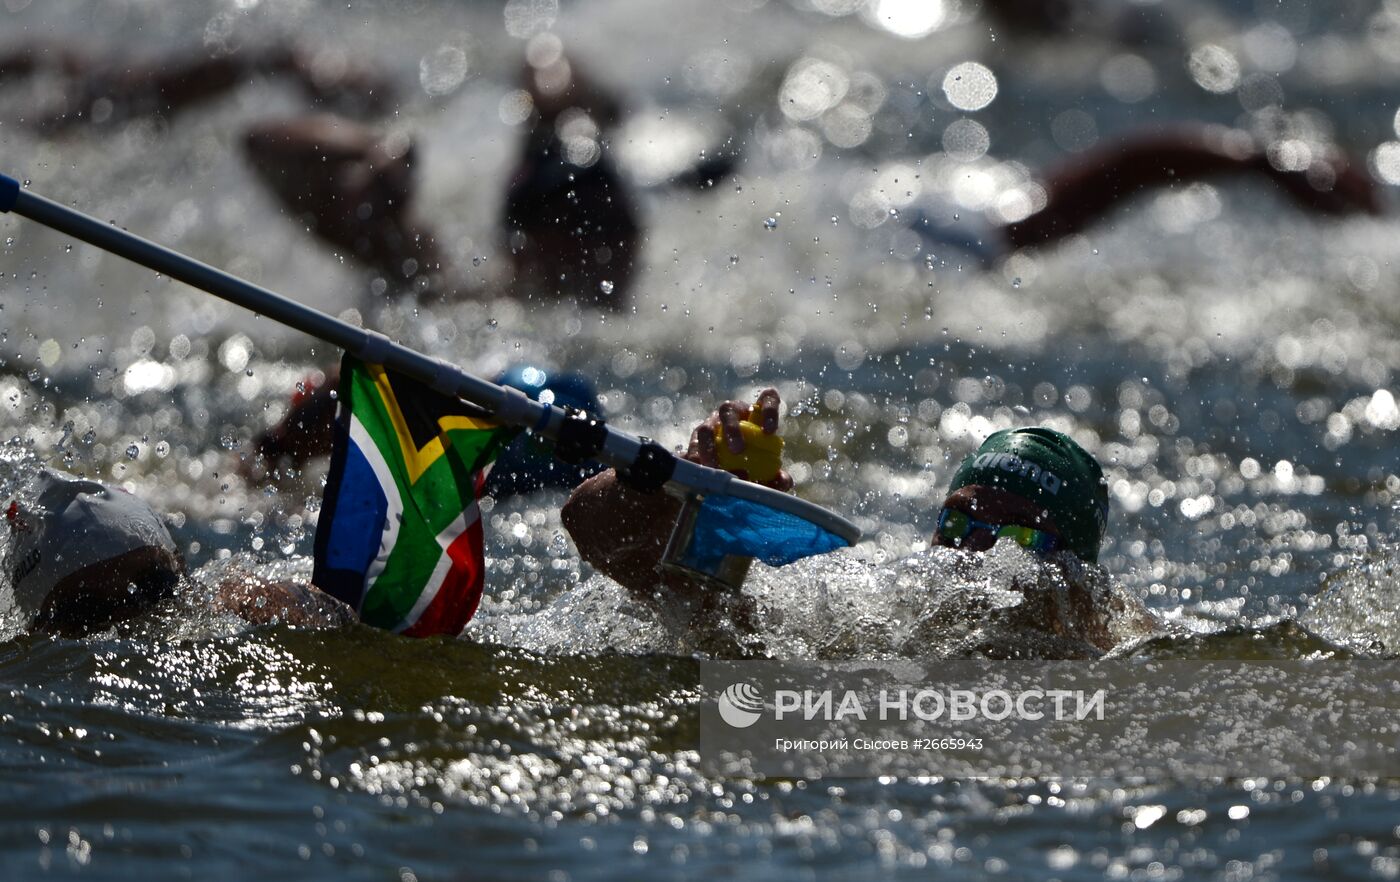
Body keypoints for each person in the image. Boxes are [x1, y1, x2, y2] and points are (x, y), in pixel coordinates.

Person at [562, 390, 1126, 653]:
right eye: (957, 527)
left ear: (1077, 574)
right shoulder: (874, 633)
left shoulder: (1112, 663)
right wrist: (682, 490)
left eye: (1019, 536)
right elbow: (587, 524)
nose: (974, 555)